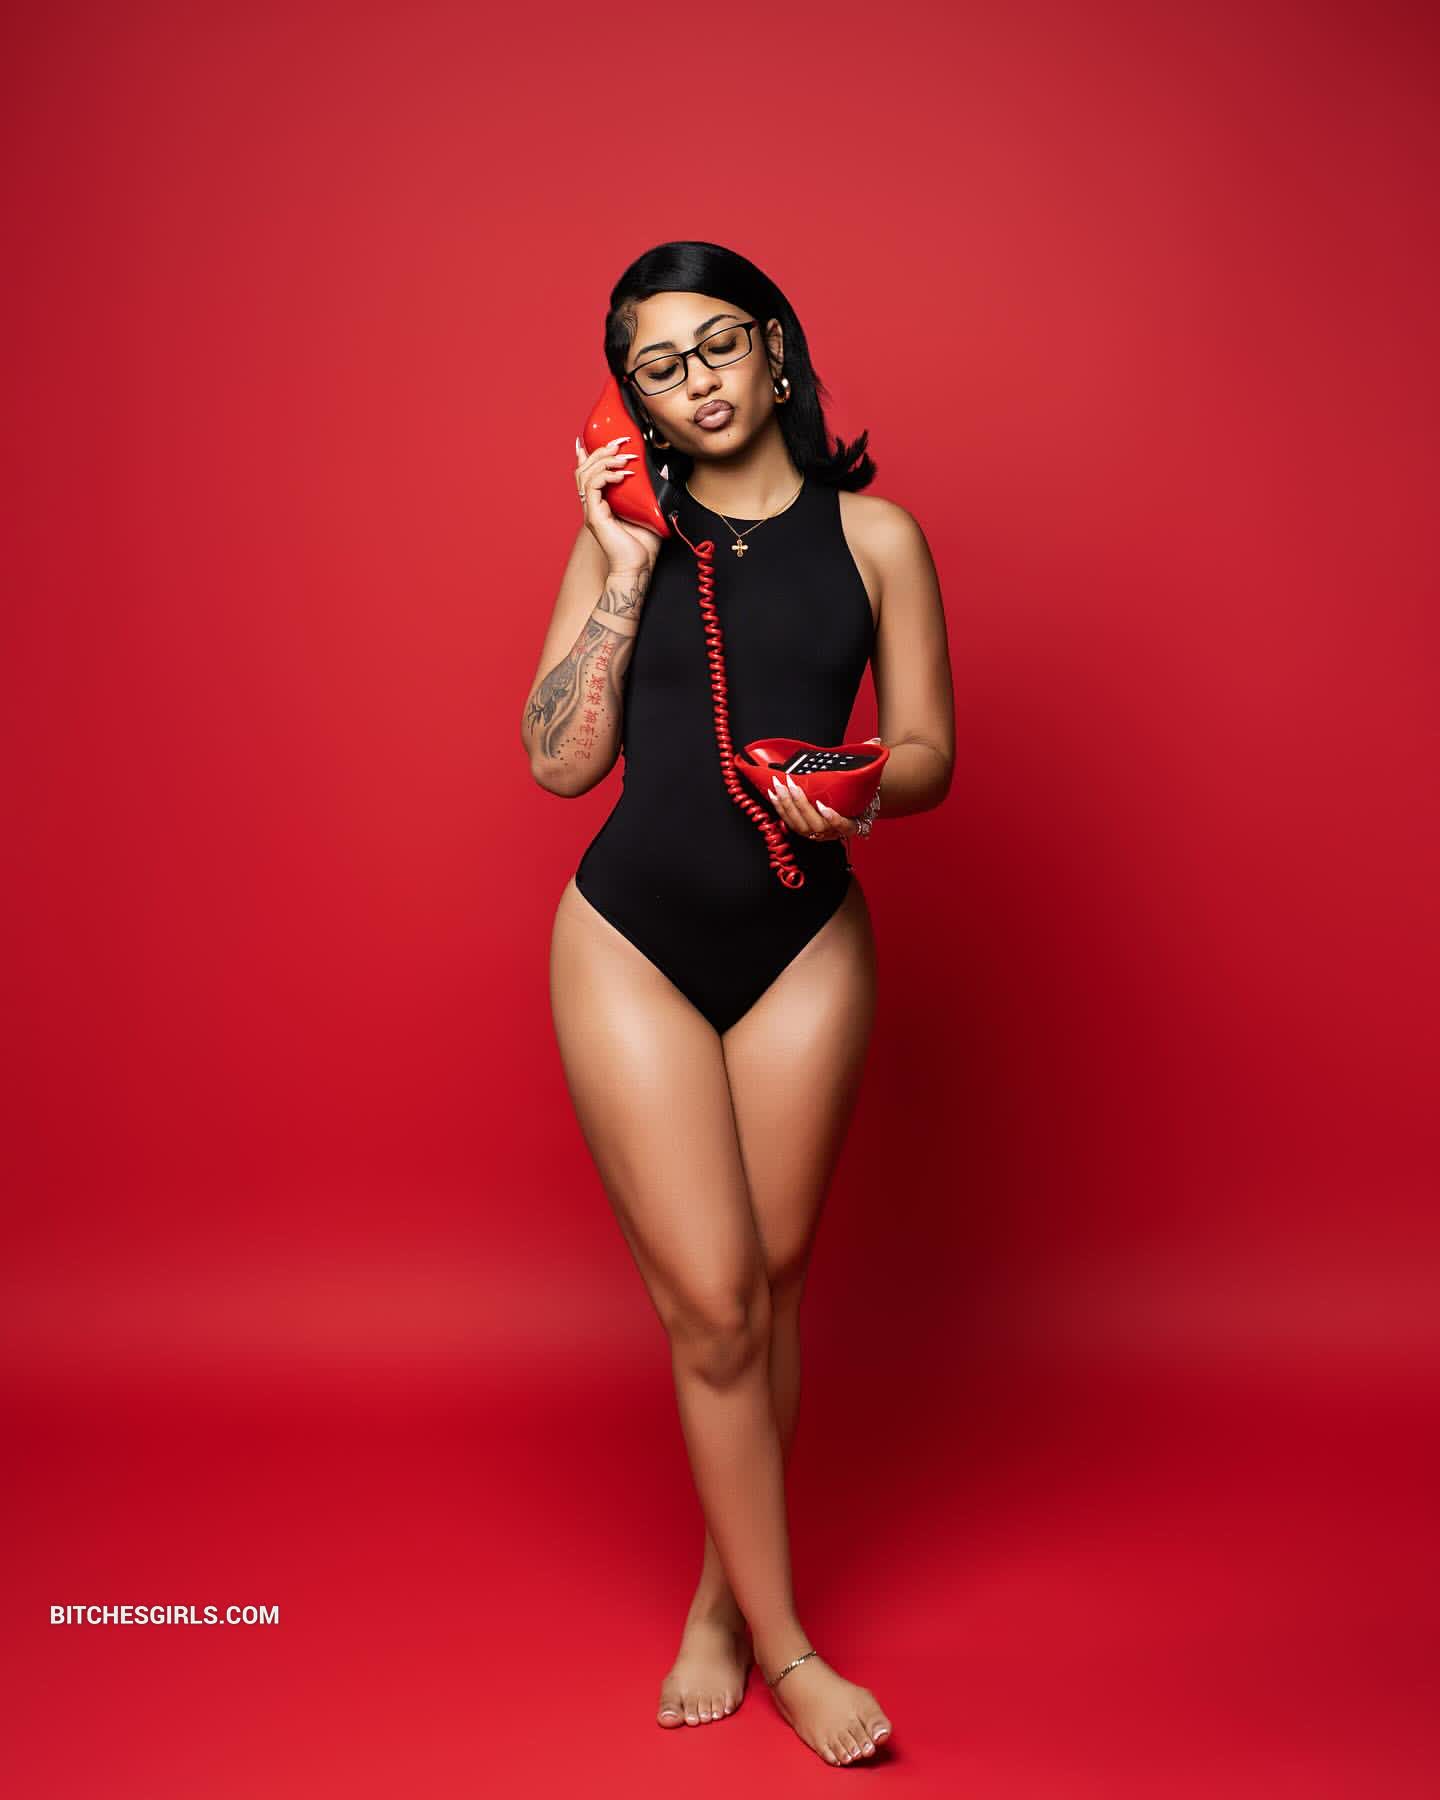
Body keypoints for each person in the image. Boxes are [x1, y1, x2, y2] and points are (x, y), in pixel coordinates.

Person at [520, 240, 953, 1769]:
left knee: (769, 1282)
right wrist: (625, 568)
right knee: (709, 1302)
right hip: (631, 939)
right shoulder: (621, 538)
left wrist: (857, 791)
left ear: (774, 349)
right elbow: (559, 764)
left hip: (804, 939)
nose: (695, 380)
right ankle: (789, 1648)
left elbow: (929, 751)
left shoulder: (880, 537)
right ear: (628, 399)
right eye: (657, 365)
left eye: (716, 345)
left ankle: (720, 1599)